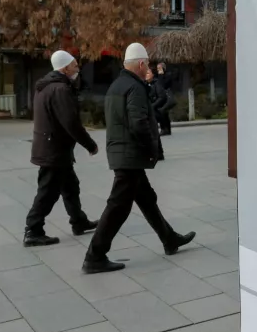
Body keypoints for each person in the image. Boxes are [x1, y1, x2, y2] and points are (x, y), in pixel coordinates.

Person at [82, 43, 195, 274]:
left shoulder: (116, 85)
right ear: (141, 64)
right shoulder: (135, 87)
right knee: (118, 207)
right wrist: (152, 147)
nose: (149, 68)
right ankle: (94, 256)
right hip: (129, 155)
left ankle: (169, 239)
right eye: (148, 65)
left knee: (146, 199)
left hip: (122, 152)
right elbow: (138, 123)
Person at [24, 50, 99, 247]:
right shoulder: (60, 89)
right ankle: (33, 230)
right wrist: (90, 144)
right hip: (54, 150)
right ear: (65, 68)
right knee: (48, 192)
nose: (77, 69)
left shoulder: (46, 86)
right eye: (74, 66)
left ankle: (79, 221)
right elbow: (71, 123)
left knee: (70, 187)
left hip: (53, 146)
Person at [153, 62, 174, 136]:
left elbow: (162, 85)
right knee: (163, 112)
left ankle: (165, 129)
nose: (158, 70)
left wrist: (161, 75)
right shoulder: (157, 76)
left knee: (163, 113)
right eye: (157, 68)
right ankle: (166, 129)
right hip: (160, 96)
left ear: (163, 68)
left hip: (165, 96)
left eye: (159, 68)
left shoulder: (168, 75)